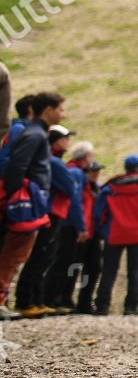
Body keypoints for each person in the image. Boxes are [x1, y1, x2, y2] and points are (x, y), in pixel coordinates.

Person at [0, 92, 64, 320]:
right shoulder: (34, 134)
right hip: (24, 201)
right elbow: (16, 166)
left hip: (29, 198)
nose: (63, 114)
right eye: (60, 109)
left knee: (16, 253)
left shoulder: (36, 133)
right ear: (47, 110)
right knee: (14, 252)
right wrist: (17, 196)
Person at [14, 123, 78, 317]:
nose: (68, 142)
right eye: (65, 138)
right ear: (57, 141)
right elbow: (70, 187)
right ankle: (27, 300)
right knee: (40, 256)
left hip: (52, 211)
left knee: (44, 256)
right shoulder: (54, 162)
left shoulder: (52, 161)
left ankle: (36, 299)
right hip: (52, 211)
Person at [93, 153, 138, 315]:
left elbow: (99, 212)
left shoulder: (111, 186)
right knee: (136, 270)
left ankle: (103, 305)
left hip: (114, 233)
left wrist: (102, 230)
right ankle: (131, 307)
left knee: (109, 270)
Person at [42, 137, 91, 312]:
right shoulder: (76, 173)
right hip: (68, 223)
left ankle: (53, 298)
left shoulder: (70, 169)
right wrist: (81, 226)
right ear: (86, 157)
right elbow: (75, 199)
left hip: (64, 220)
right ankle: (52, 298)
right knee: (63, 262)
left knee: (62, 261)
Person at [74, 158, 105, 314]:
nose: (96, 174)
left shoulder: (98, 189)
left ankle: (84, 300)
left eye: (98, 171)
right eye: (93, 171)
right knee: (73, 267)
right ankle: (64, 297)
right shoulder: (81, 187)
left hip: (94, 234)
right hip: (80, 233)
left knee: (94, 267)